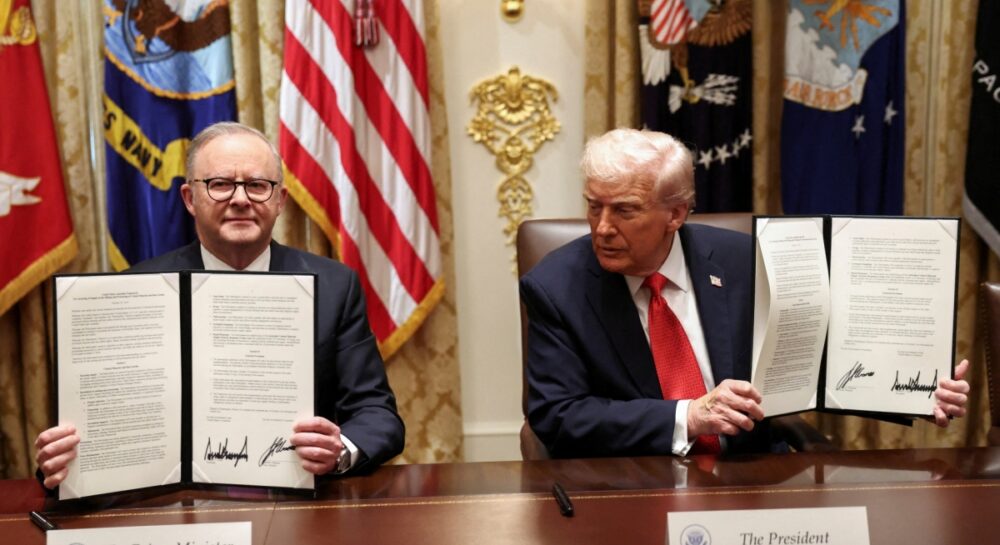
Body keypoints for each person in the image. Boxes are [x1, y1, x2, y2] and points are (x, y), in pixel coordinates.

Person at [519, 128, 970, 458]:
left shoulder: (747, 260)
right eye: (594, 206)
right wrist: (688, 416)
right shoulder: (556, 288)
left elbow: (820, 359)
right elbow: (559, 416)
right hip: (632, 484)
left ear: (675, 214)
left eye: (624, 211)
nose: (601, 227)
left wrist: (912, 388)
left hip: (749, 477)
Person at [35, 122, 404, 488]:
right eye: (221, 184)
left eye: (258, 186)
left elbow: (377, 414)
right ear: (190, 199)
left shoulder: (335, 286)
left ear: (280, 201)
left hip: (300, 504)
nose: (240, 199)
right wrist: (64, 463)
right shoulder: (134, 292)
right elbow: (102, 427)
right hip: (172, 508)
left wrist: (338, 452)